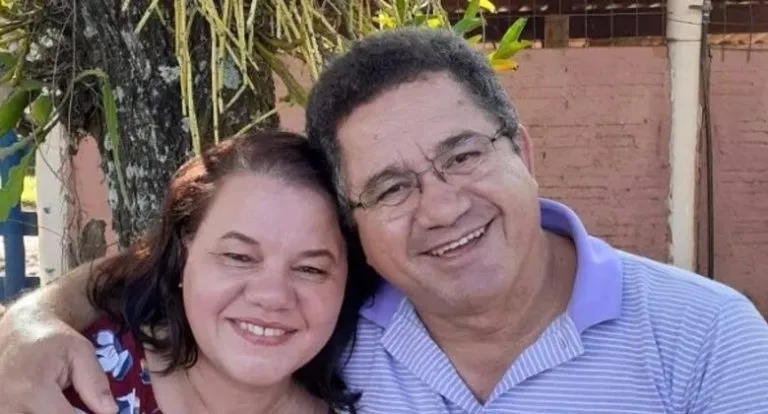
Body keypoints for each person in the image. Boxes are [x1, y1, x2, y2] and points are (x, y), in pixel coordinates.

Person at [1, 27, 768, 413]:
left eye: (463, 155)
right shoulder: (345, 326)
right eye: (392, 187)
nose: (443, 206)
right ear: (357, 222)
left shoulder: (705, 338)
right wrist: (30, 324)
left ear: (524, 150)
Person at [0, 131, 376, 413]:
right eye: (238, 257)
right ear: (183, 255)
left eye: (310, 268)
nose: (273, 296)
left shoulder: (376, 398)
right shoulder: (66, 382)